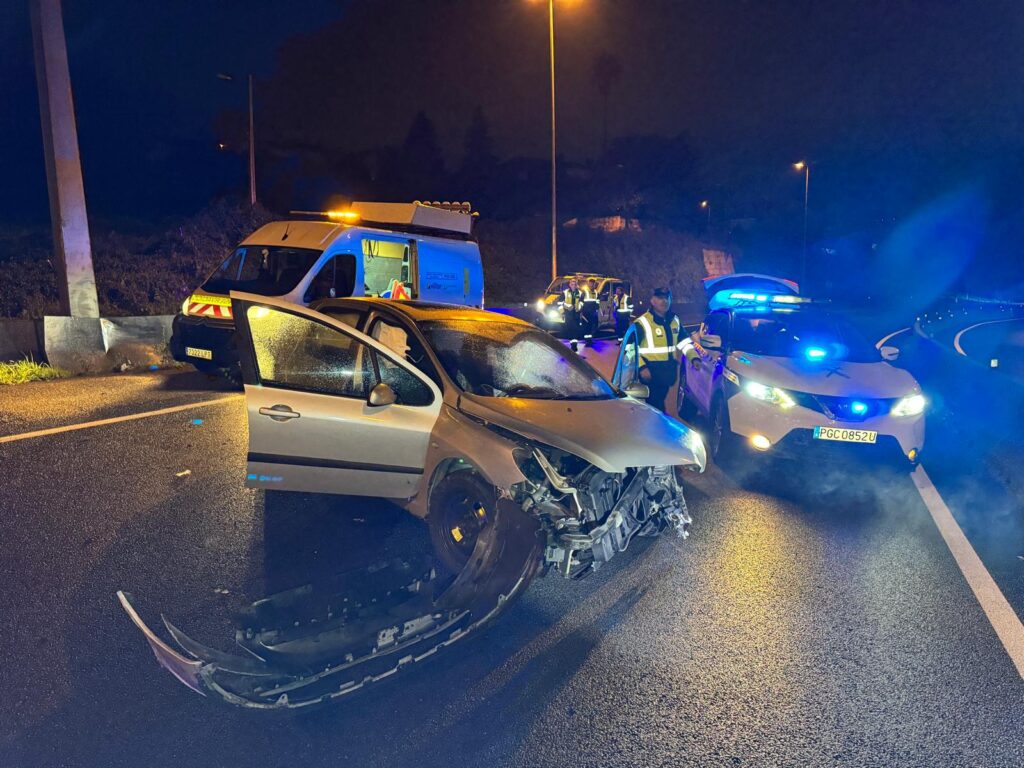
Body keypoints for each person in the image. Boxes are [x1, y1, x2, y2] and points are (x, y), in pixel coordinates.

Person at [634, 286, 699, 412]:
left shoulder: (674, 320)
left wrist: (694, 357)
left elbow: (684, 342)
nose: (664, 301)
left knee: (656, 406)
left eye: (666, 298)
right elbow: (630, 349)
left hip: (667, 373)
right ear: (652, 301)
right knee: (656, 407)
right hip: (650, 373)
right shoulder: (642, 322)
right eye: (660, 298)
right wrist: (642, 367)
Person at [581, 278, 600, 342]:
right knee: (586, 325)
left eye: (593, 283)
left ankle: (589, 338)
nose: (591, 284)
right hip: (586, 311)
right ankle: (587, 339)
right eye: (590, 283)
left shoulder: (596, 292)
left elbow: (597, 301)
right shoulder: (585, 291)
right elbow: (581, 301)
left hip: (593, 311)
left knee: (592, 325)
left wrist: (597, 308)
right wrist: (581, 310)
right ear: (588, 283)